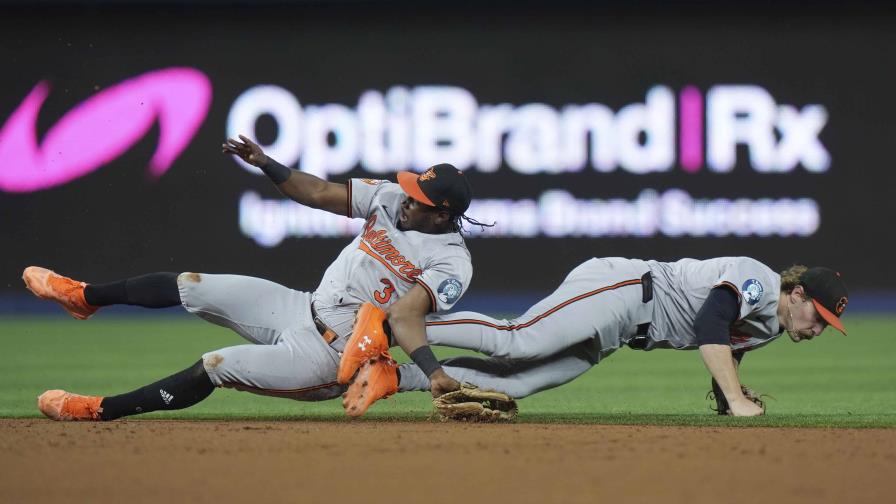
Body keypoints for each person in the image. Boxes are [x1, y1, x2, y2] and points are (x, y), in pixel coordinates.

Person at [25, 135, 479, 421]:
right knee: (192, 284)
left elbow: (404, 315)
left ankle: (100, 410)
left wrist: (432, 372)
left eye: (419, 198)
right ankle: (84, 297)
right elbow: (319, 192)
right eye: (412, 188)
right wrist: (267, 164)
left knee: (214, 365)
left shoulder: (452, 262)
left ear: (441, 214)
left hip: (330, 357)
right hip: (300, 305)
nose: (408, 198)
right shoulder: (390, 196)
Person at [342, 257, 849, 417]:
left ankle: (395, 375)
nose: (817, 328)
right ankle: (389, 321)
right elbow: (710, 326)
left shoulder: (768, 329)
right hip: (625, 290)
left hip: (624, 329)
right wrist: (737, 400)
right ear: (797, 292)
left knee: (520, 383)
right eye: (818, 316)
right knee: (520, 339)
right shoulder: (757, 279)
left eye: (826, 324)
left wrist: (727, 397)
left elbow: (726, 355)